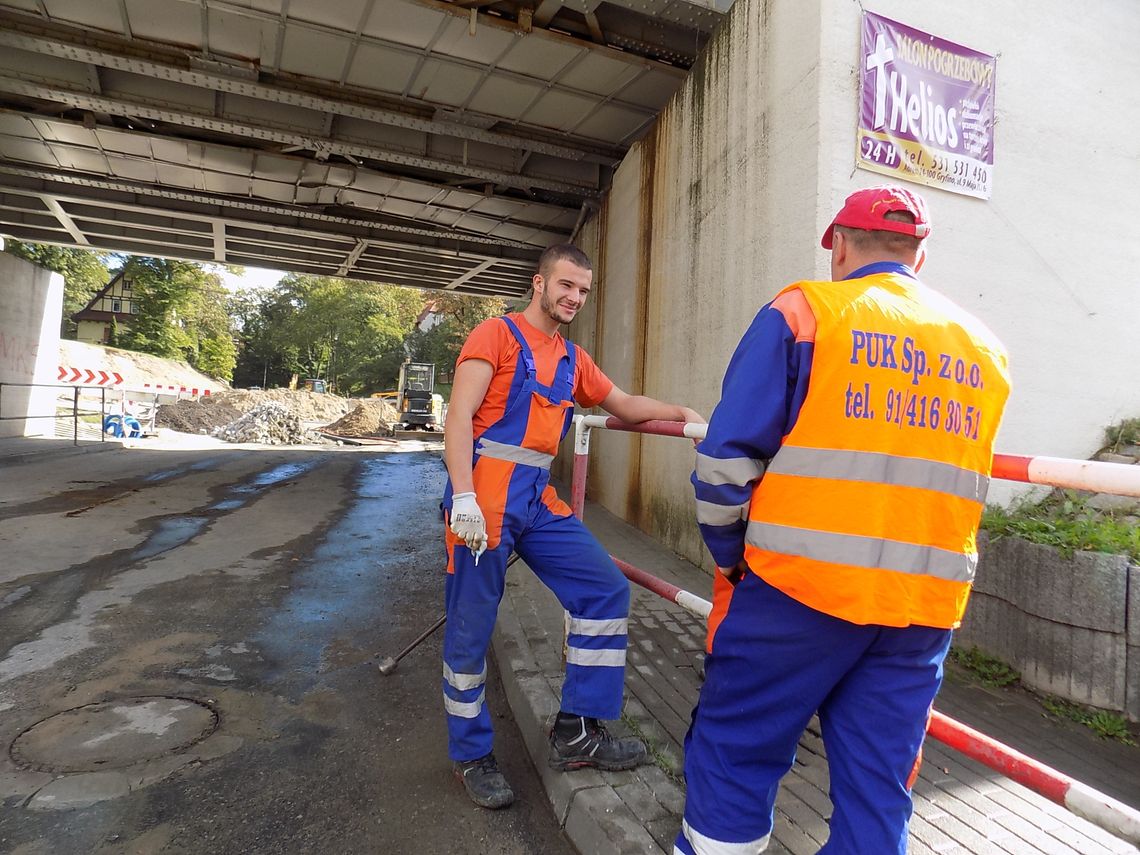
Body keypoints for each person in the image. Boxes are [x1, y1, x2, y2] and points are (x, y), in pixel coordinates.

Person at [679, 186, 1011, 854]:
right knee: (877, 789)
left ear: (838, 244)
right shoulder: (984, 348)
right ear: (920, 253)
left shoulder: (806, 312)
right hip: (922, 610)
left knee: (735, 754)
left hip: (796, 593)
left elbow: (724, 463)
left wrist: (729, 557)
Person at [442, 243, 704, 809]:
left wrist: (682, 414)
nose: (574, 298)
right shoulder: (495, 335)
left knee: (604, 589)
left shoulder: (572, 358)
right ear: (538, 283)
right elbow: (459, 416)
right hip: (483, 495)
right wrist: (462, 494)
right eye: (566, 286)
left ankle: (577, 731)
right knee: (471, 626)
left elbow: (627, 404)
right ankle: (470, 755)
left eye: (583, 291)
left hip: (536, 497)